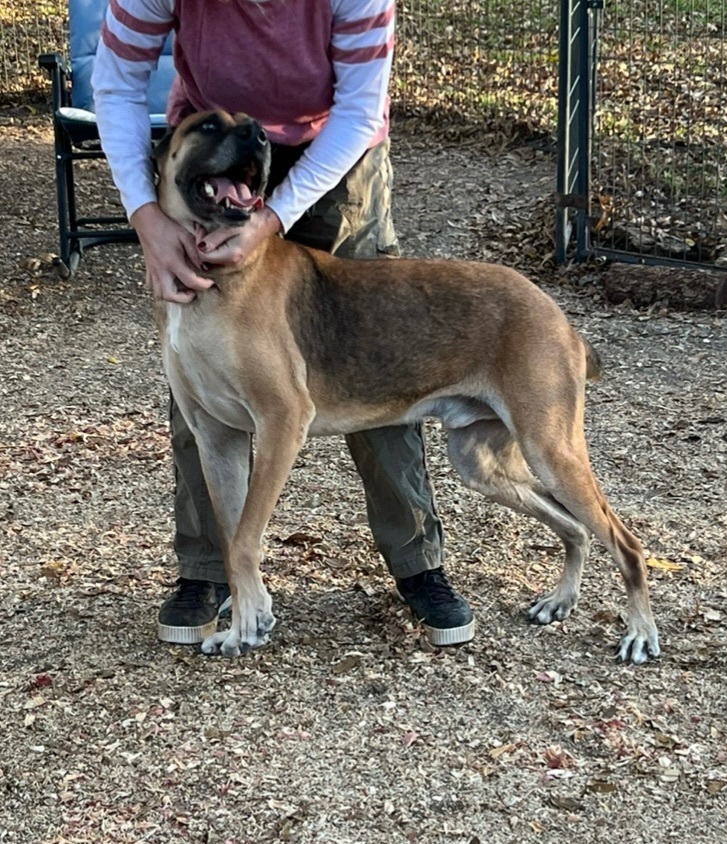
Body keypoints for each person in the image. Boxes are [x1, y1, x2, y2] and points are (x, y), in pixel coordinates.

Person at [92, 0, 474, 648]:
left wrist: (271, 219)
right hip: (213, 150)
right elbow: (118, 83)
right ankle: (208, 572)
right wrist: (145, 217)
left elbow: (358, 109)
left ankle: (416, 564)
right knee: (205, 369)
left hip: (336, 149)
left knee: (378, 347)